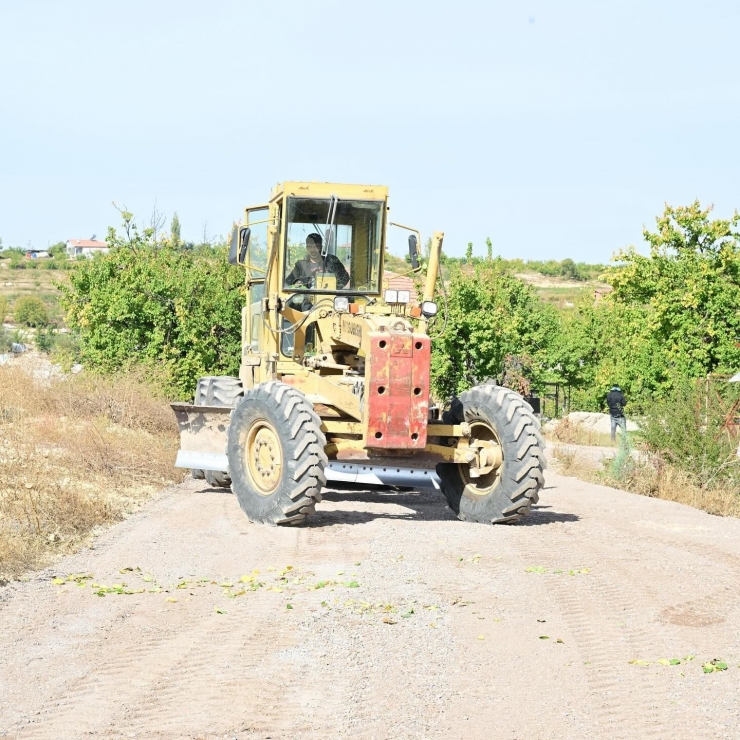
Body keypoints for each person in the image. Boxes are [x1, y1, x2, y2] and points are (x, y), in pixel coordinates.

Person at [285, 233, 350, 289]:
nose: (313, 250)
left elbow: (345, 278)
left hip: (329, 299)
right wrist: (297, 284)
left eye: (316, 246)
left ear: (321, 247)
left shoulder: (332, 261)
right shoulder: (300, 266)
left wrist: (333, 288)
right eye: (310, 247)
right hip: (306, 301)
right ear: (307, 248)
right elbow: (288, 282)